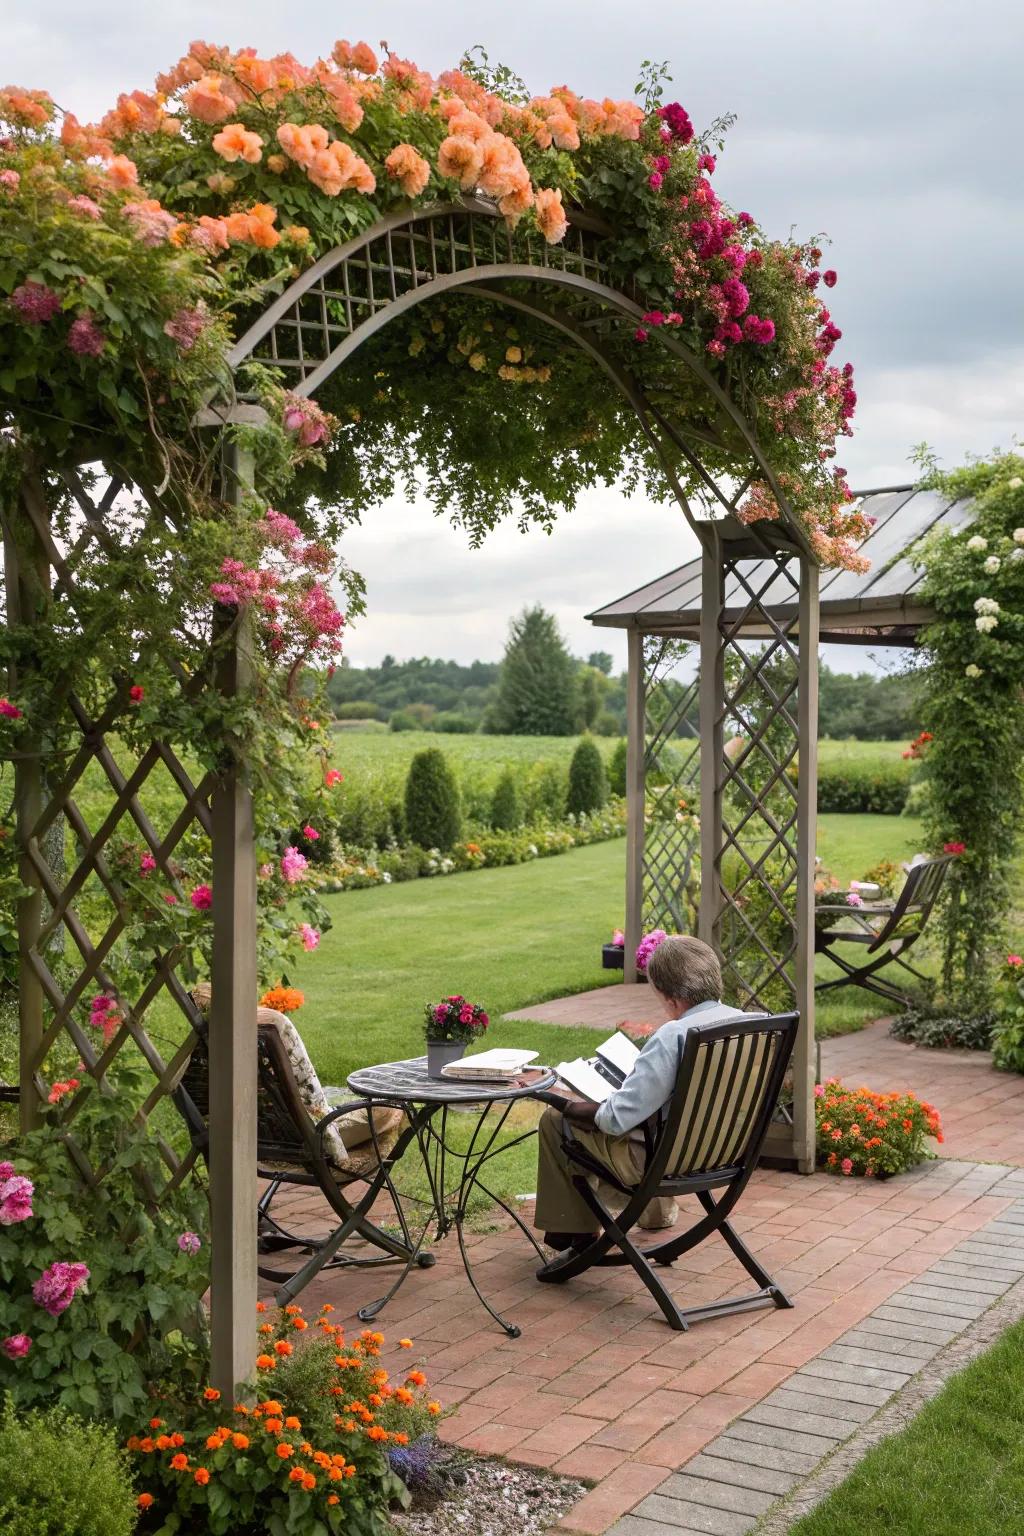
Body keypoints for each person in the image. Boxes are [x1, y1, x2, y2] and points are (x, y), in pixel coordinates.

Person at [533, 935, 750, 1253]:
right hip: (724, 1152)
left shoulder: (674, 1036)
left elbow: (614, 1120)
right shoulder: (752, 1025)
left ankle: (573, 1232)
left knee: (555, 1121)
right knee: (654, 1116)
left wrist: (564, 1103)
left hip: (666, 1162)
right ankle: (656, 1215)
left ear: (671, 997)